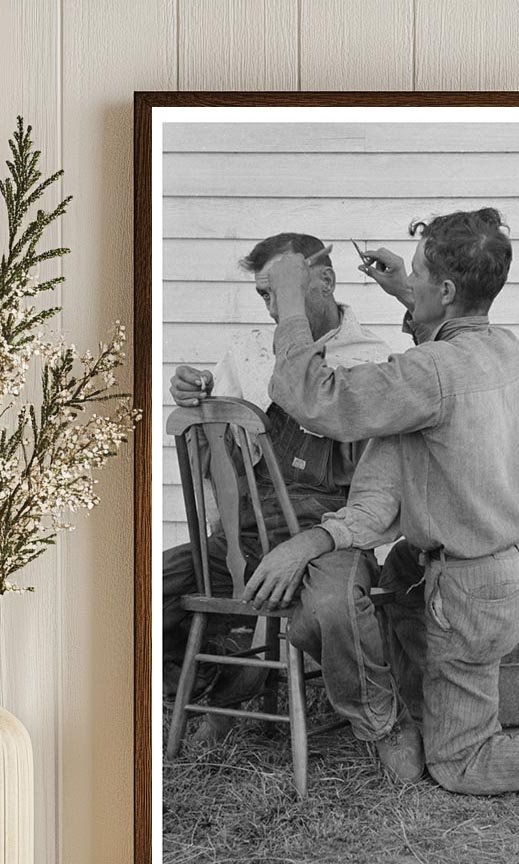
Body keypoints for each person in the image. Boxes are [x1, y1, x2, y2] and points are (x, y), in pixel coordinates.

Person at [242, 209, 519, 809]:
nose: (408, 278)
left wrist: (290, 305)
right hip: (512, 563)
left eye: (417, 273)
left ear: (446, 292)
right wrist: (407, 295)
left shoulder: (430, 374)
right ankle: (428, 702)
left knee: (459, 762)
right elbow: (442, 359)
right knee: (393, 587)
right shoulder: (502, 347)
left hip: (472, 588)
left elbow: (317, 400)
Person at [163, 231, 420, 775]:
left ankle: (381, 719)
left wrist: (313, 545)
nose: (274, 309)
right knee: (143, 593)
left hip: (330, 533)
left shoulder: (372, 360)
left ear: (324, 281)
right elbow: (219, 446)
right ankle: (229, 676)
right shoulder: (251, 352)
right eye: (264, 296)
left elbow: (378, 494)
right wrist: (197, 390)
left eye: (281, 292)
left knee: (333, 607)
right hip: (250, 533)